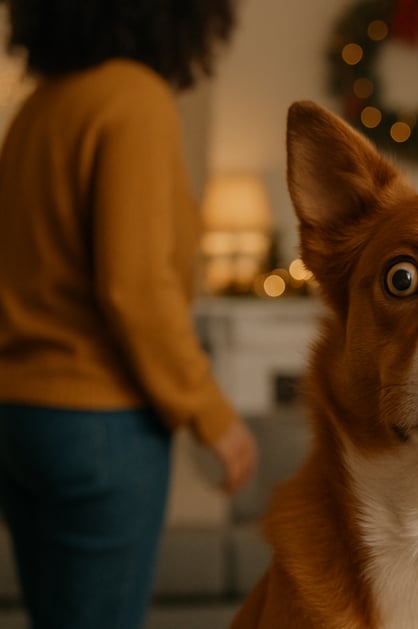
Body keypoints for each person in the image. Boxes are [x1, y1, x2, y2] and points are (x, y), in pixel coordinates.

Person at [0, 1, 259, 628]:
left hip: (18, 416)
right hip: (99, 424)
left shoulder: (39, 107)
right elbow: (134, 288)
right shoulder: (133, 98)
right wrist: (213, 416)